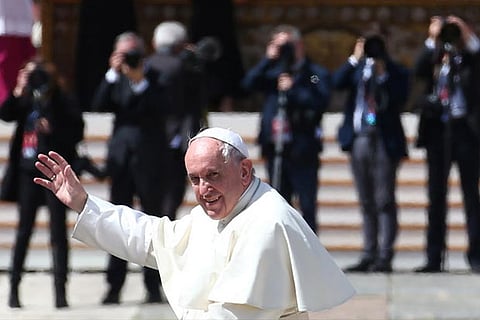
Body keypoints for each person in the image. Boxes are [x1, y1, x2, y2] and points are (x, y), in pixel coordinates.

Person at [33, 127, 355, 319]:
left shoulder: (267, 224)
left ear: (245, 171)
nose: (203, 190)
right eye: (195, 179)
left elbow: (232, 315)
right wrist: (84, 204)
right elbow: (152, 239)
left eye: (213, 176)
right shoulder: (222, 211)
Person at [90, 31, 170, 304]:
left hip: (149, 158)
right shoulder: (116, 80)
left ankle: (153, 286)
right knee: (117, 223)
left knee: (153, 223)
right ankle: (114, 286)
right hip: (122, 159)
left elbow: (163, 107)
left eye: (133, 53)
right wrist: (112, 74)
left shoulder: (155, 78)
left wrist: (140, 82)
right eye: (124, 54)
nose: (130, 60)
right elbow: (98, 105)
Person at [0, 57, 85, 308]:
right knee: (24, 231)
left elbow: (77, 130)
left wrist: (53, 128)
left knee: (58, 232)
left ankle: (61, 292)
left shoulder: (61, 100)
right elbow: (5, 114)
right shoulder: (26, 99)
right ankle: (14, 290)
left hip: (54, 173)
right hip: (28, 172)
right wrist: (18, 88)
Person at [241, 24, 330, 233]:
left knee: (307, 203)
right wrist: (267, 59)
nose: (286, 51)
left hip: (303, 147)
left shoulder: (313, 74)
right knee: (279, 202)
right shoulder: (272, 72)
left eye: (288, 46)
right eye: (281, 46)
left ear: (300, 45)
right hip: (276, 146)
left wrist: (294, 90)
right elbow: (247, 85)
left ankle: (310, 253)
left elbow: (321, 101)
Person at [332, 33, 410, 273]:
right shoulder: (356, 71)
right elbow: (333, 83)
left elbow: (401, 96)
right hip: (359, 138)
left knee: (384, 199)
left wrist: (382, 72)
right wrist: (354, 59)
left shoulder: (395, 71)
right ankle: (368, 253)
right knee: (366, 199)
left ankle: (385, 256)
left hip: (385, 140)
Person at [412, 15, 480, 273]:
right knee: (436, 197)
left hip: (466, 132)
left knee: (471, 197)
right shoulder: (434, 58)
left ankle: (476, 256)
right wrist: (433, 38)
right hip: (437, 133)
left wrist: (464, 30)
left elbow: (477, 54)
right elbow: (417, 70)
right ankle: (433, 257)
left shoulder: (469, 58)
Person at [144, 20, 207, 221]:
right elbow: (201, 97)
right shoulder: (184, 67)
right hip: (178, 137)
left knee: (152, 194)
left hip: (150, 138)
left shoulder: (144, 65)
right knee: (172, 192)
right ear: (181, 44)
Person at [0, 0, 37, 104]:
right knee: (6, 59)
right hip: (4, 12)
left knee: (25, 57)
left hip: (22, 9)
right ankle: (6, 100)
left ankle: (24, 97)